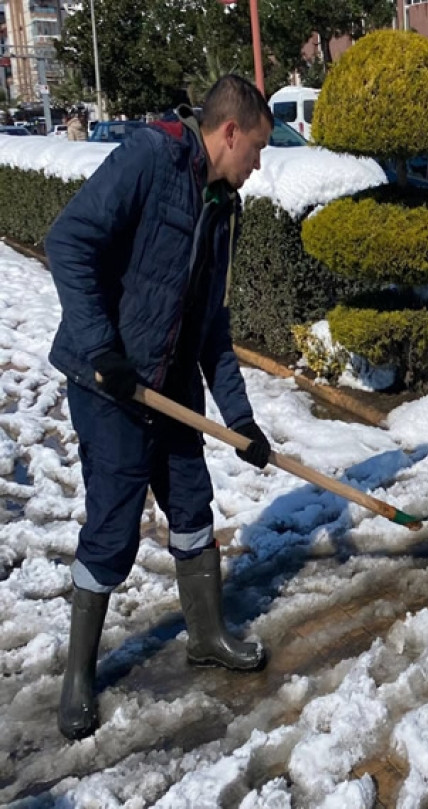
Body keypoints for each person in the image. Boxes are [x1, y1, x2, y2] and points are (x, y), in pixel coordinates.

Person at [45, 74, 275, 741]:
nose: (256, 168)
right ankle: (79, 674)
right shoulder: (151, 157)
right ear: (228, 132)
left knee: (192, 506)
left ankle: (205, 634)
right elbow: (69, 242)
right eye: (255, 151)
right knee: (113, 529)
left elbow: (212, 328)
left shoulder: (224, 208)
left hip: (171, 387)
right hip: (108, 384)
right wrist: (101, 349)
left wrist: (241, 421)